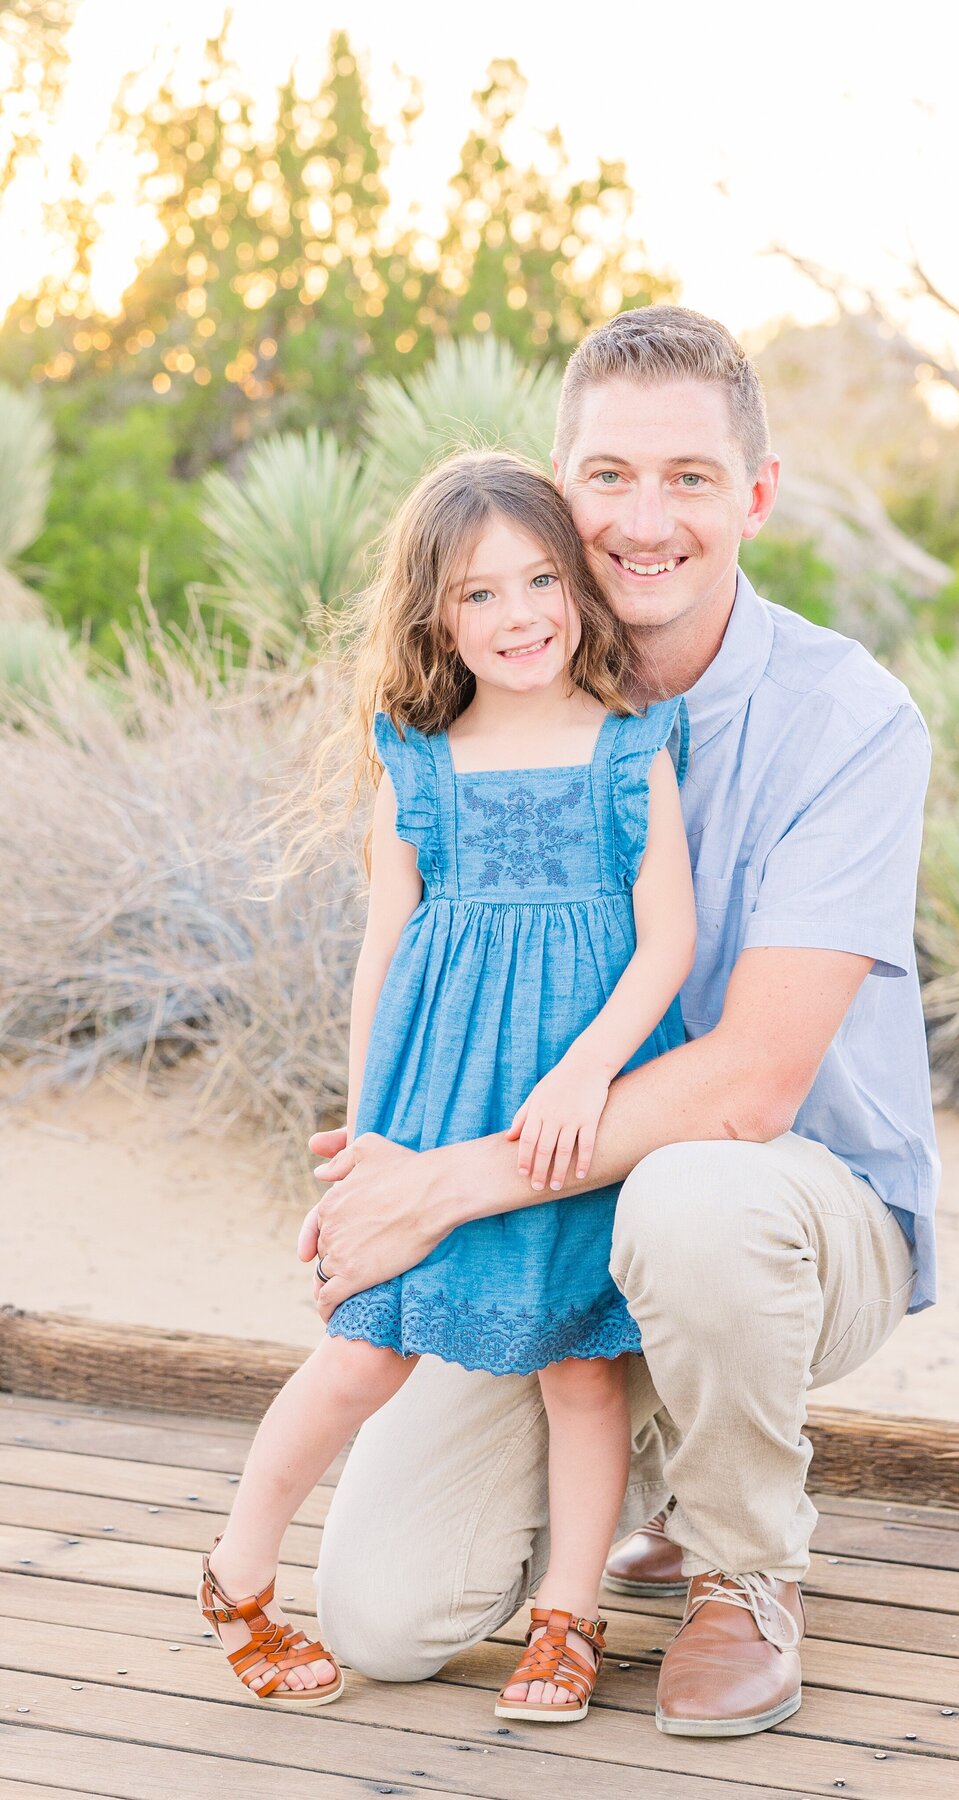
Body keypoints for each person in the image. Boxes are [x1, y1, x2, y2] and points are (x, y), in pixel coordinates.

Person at [304, 305, 939, 1739]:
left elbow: (759, 1079)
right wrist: (378, 1168)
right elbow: (413, 961)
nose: (644, 520)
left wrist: (442, 1188)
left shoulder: (849, 722)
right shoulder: (480, 712)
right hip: (550, 1220)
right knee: (384, 1620)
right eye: (608, 477)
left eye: (691, 479)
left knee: (694, 1199)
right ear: (557, 484)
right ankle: (630, 1475)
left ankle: (744, 1570)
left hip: (786, 1217)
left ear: (755, 495)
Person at [197, 450, 696, 1724]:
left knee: (580, 1367)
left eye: (541, 578)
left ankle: (567, 1619)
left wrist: (590, 1070)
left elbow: (669, 942)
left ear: (580, 584)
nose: (519, 613)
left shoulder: (630, 749)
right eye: (479, 595)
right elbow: (383, 946)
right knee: (364, 1350)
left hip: (577, 1110)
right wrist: (369, 1133)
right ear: (433, 615)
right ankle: (237, 1577)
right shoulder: (418, 757)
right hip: (436, 1105)